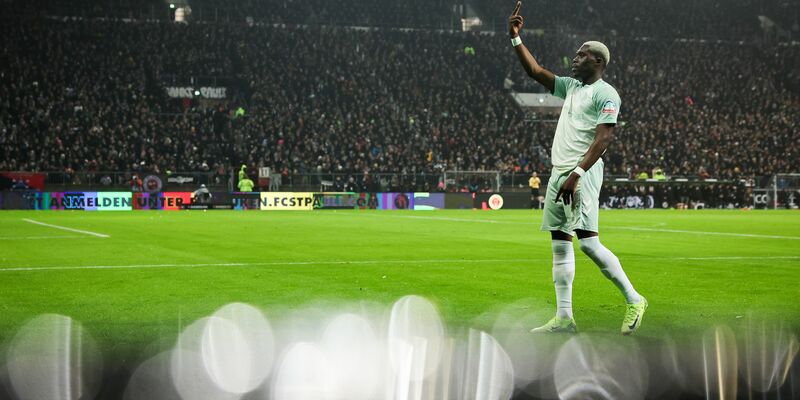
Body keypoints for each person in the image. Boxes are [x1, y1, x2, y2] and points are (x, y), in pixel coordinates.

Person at [509, 0, 647, 335]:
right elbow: (535, 71)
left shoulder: (606, 94)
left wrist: (577, 174)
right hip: (560, 172)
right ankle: (565, 317)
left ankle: (634, 298)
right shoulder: (571, 87)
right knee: (559, 243)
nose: (575, 57)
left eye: (582, 54)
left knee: (587, 242)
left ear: (598, 61)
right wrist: (516, 38)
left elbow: (603, 139)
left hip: (581, 172)